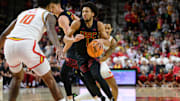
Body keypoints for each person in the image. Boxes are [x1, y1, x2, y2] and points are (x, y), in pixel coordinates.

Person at [0, 0, 66, 101]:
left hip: (10, 44)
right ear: (51, 5)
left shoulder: (24, 13)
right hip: (26, 44)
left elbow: (4, 34)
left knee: (17, 77)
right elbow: (50, 29)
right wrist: (58, 47)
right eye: (58, 5)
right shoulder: (48, 15)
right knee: (49, 79)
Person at [64, 1, 114, 101]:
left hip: (93, 55)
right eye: (83, 12)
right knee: (88, 80)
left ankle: (111, 97)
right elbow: (65, 38)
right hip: (80, 56)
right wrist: (73, 39)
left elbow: (108, 43)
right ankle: (101, 97)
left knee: (96, 75)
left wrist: (100, 40)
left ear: (93, 14)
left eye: (87, 11)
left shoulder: (98, 25)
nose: (84, 14)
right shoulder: (77, 23)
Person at [47, 1, 83, 101]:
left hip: (75, 45)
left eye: (53, 7)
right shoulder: (69, 13)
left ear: (59, 5)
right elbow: (80, 22)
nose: (51, 10)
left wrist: (63, 51)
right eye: (49, 8)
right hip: (80, 44)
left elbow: (70, 37)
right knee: (77, 71)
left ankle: (70, 97)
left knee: (64, 73)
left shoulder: (61, 19)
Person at [74, 23, 119, 101]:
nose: (107, 30)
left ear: (111, 29)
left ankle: (76, 99)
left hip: (101, 62)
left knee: (113, 87)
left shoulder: (112, 41)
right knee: (97, 88)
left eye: (108, 28)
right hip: (91, 61)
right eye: (105, 28)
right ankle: (76, 99)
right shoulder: (95, 37)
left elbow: (106, 56)